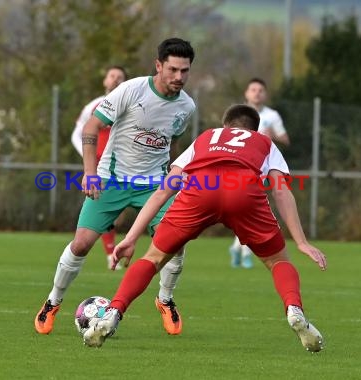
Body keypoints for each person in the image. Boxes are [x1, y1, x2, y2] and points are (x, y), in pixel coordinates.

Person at [82, 104, 327, 352]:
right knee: (277, 262)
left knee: (154, 259)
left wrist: (131, 237)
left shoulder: (207, 137)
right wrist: (301, 242)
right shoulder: (263, 142)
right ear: (254, 129)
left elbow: (164, 190)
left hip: (200, 190)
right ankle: (294, 309)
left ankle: (113, 312)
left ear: (226, 126)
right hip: (242, 191)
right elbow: (280, 190)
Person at [34, 38, 196, 336]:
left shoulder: (187, 106)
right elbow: (91, 127)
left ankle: (165, 299)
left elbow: (172, 143)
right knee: (81, 243)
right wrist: (89, 172)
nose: (179, 77)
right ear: (158, 65)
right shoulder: (131, 90)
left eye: (185, 71)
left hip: (154, 185)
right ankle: (52, 302)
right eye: (173, 69)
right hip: (112, 179)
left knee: (175, 242)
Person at [229, 77, 291, 269]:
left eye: (260, 90)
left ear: (265, 94)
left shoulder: (272, 116)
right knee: (244, 210)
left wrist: (272, 135)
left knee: (247, 210)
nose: (257, 93)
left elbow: (285, 140)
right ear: (246, 93)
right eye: (253, 89)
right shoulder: (236, 114)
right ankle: (242, 249)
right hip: (237, 167)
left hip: (262, 168)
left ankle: (240, 249)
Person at [70, 65, 127, 269]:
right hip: (100, 169)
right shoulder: (94, 106)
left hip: (125, 167)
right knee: (104, 209)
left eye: (120, 77)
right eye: (112, 76)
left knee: (119, 216)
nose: (115, 80)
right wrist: (89, 160)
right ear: (105, 80)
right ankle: (110, 254)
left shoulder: (130, 105)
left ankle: (114, 249)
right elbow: (78, 134)